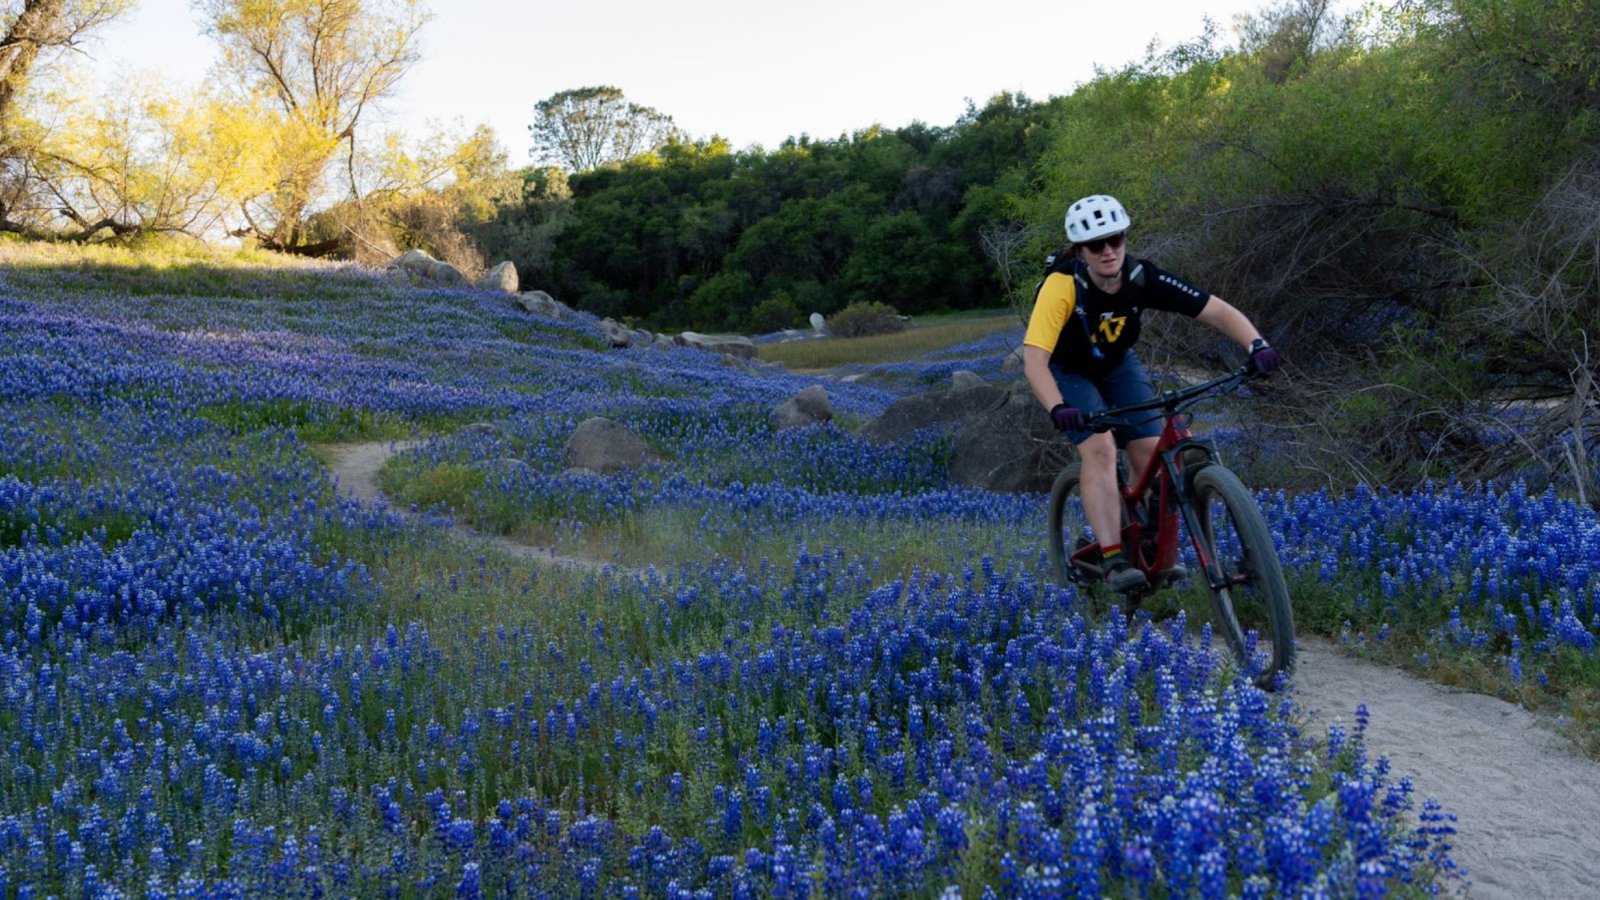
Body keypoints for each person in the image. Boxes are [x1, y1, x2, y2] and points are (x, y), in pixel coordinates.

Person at [1022, 194, 1282, 592]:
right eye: (1096, 245)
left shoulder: (1143, 276)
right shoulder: (1061, 288)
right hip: (1067, 369)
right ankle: (1112, 559)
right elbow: (1035, 359)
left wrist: (1256, 344)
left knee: (1153, 451)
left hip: (1116, 364)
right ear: (1080, 251)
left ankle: (1148, 540)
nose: (1109, 251)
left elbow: (1215, 310)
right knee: (1100, 448)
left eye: (1116, 239)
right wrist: (1057, 406)